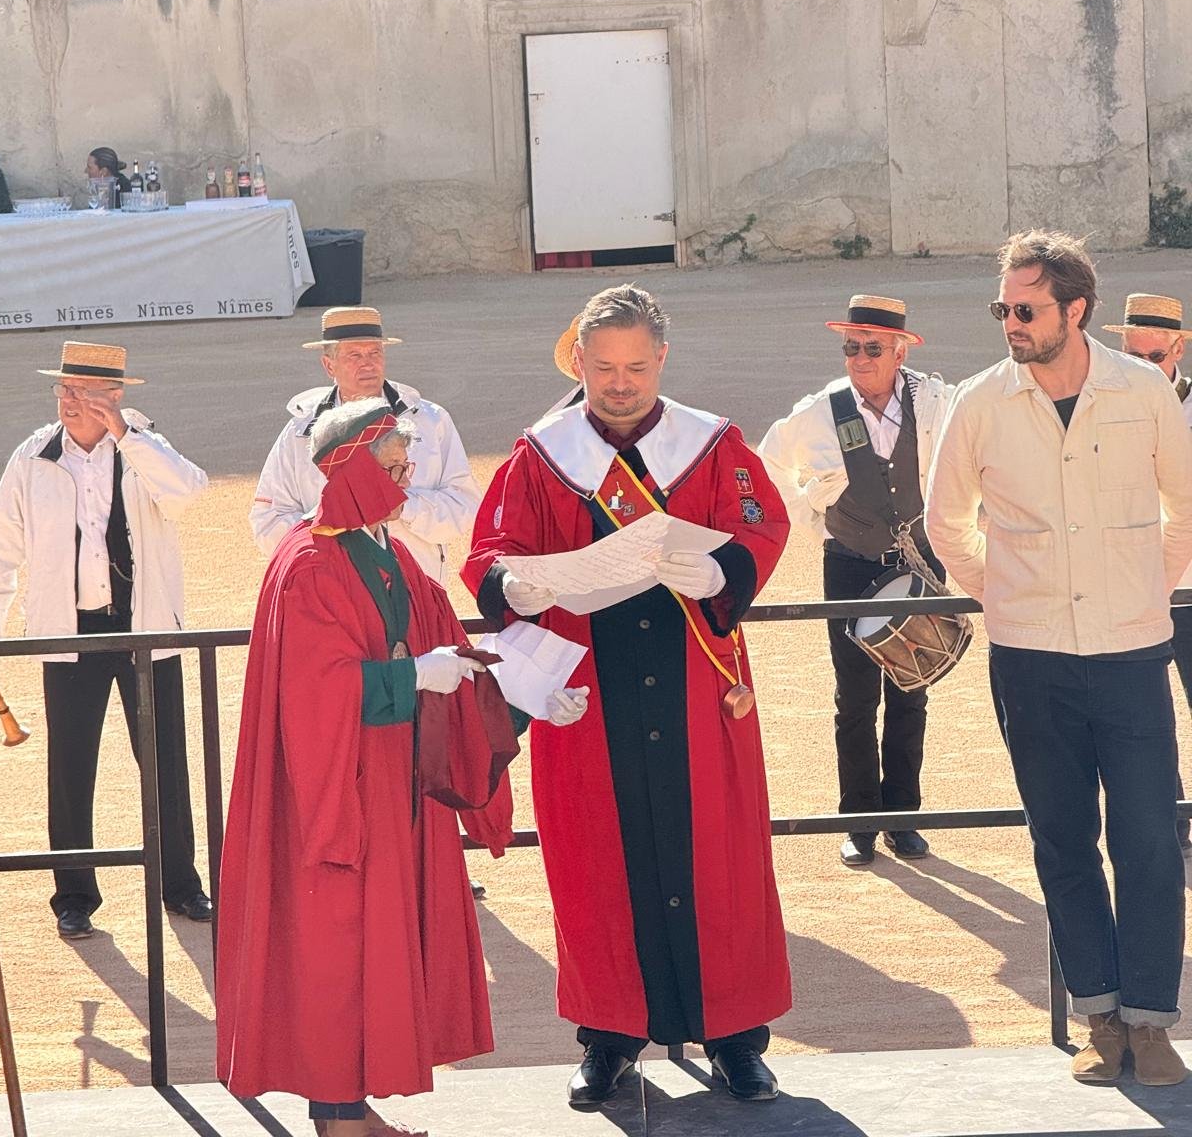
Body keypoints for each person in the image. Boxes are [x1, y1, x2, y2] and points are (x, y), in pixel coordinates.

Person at [217, 399, 587, 1137]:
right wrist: (413, 675)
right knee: (335, 950)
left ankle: (354, 1111)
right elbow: (316, 693)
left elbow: (451, 646)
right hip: (338, 795)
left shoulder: (390, 553)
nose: (406, 477)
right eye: (391, 466)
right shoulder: (309, 564)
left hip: (389, 787)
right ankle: (339, 1122)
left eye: (405, 464)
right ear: (344, 467)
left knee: (362, 951)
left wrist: (530, 697)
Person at [463, 284, 792, 1108]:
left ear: (662, 361)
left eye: (637, 367)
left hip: (696, 690)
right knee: (594, 868)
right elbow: (490, 552)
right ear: (579, 361)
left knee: (720, 863)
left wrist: (725, 569)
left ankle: (737, 1040)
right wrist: (518, 586)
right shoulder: (542, 456)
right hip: (587, 695)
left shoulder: (712, 445)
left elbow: (762, 521)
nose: (619, 383)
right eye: (604, 366)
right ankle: (607, 1037)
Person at [925, 232, 1192, 1088]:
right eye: (1002, 307)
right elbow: (944, 522)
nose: (1010, 321)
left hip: (1129, 656)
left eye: (1026, 308)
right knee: (1062, 843)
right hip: (1030, 662)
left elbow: (1188, 504)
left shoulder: (1144, 390)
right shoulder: (979, 402)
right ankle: (1100, 1016)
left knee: (1152, 838)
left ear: (1075, 311)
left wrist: (1148, 585)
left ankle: (1153, 1021)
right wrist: (1001, 594)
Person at [0, 341, 211, 939]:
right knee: (70, 767)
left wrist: (128, 436)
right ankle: (74, 894)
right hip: (72, 631)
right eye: (62, 389)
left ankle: (181, 885)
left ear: (113, 398)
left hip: (144, 631)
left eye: (81, 392)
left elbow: (190, 493)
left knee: (164, 760)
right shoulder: (33, 456)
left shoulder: (145, 447)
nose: (67, 401)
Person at [759, 295, 952, 868]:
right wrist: (812, 515)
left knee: (912, 687)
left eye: (872, 348)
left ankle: (905, 818)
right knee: (855, 696)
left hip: (918, 559)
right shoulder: (821, 410)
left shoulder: (937, 401)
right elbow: (767, 463)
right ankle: (859, 822)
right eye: (851, 347)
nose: (860, 358)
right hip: (848, 561)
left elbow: (968, 459)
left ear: (899, 351)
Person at [250, 306, 480, 587]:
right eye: (354, 355)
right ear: (328, 365)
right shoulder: (300, 432)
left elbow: (465, 506)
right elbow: (267, 520)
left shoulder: (431, 422)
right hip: (333, 592)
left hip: (416, 588)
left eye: (375, 353)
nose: (368, 364)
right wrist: (329, 531)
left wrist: (404, 508)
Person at [1103, 292, 1192, 853]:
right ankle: (1170, 821)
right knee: (1144, 720)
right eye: (1134, 357)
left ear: (1178, 349)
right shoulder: (1107, 408)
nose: (1145, 369)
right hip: (1133, 587)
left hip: (1191, 589)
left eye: (1154, 356)